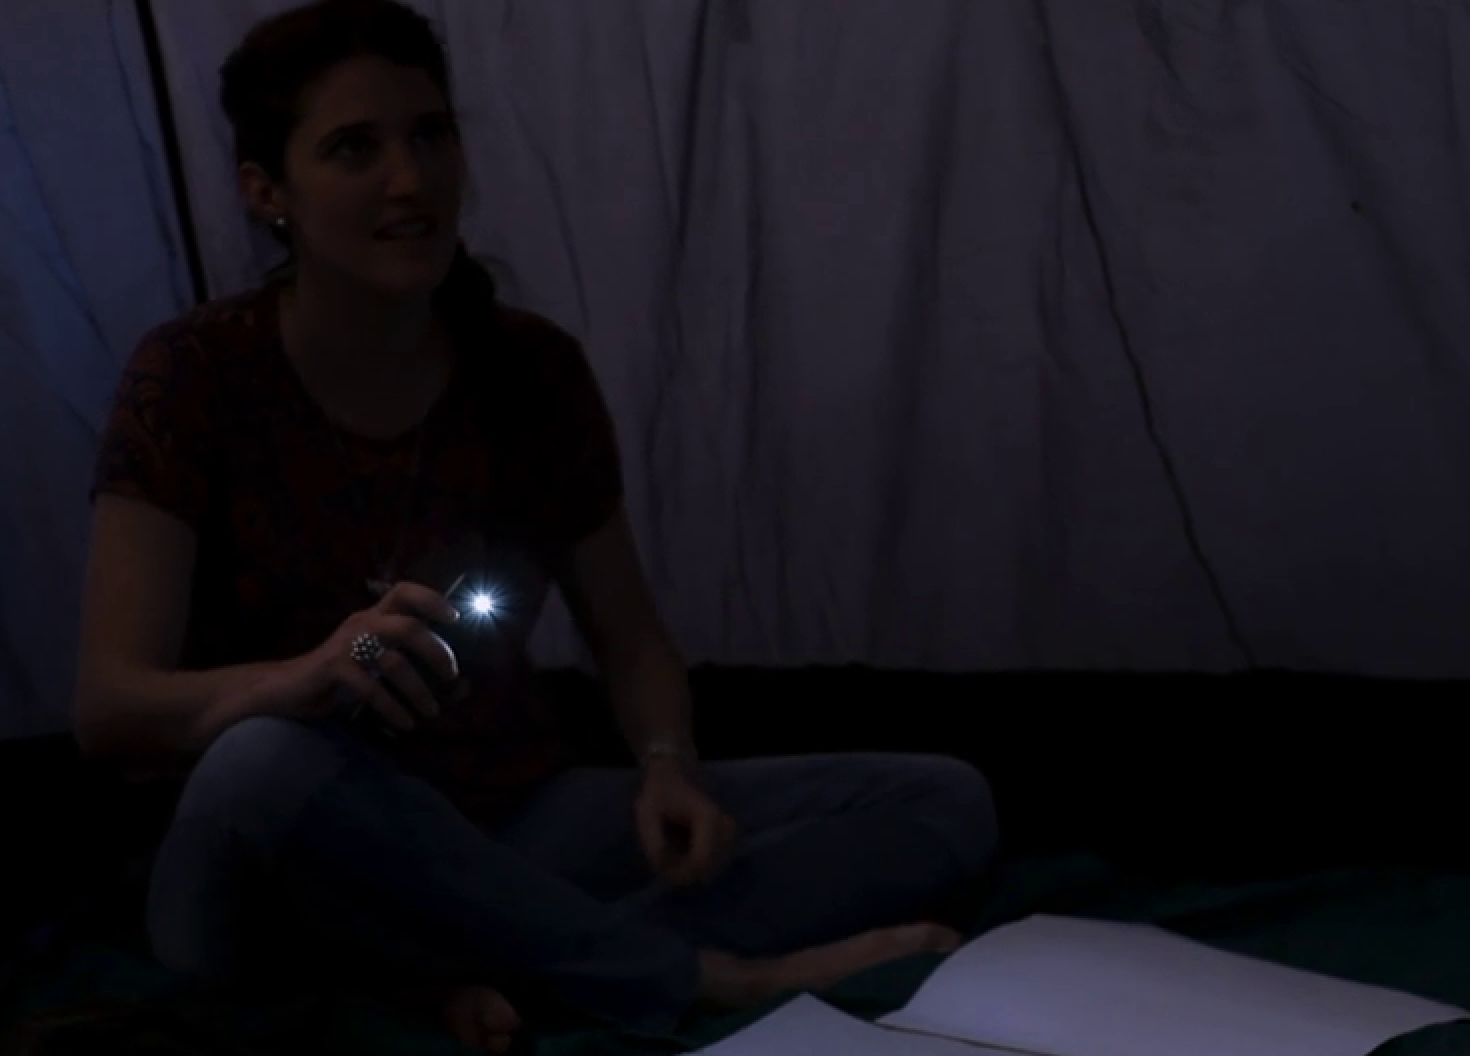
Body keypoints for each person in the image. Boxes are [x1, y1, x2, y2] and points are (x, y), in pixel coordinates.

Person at [72, 0, 998, 1051]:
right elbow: (109, 707)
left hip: (506, 823)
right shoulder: (194, 377)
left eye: (431, 135)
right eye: (354, 148)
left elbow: (632, 639)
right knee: (264, 761)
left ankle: (488, 964)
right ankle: (698, 973)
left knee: (942, 803)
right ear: (266, 192)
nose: (410, 180)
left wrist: (665, 762)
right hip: (275, 868)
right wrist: (299, 679)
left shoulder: (528, 372)